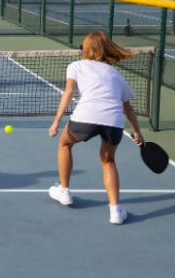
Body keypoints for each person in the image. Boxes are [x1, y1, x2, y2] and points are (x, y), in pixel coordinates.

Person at [48, 31, 144, 225]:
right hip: (114, 121)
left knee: (65, 143)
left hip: (86, 117)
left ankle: (64, 191)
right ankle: (115, 211)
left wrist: (56, 121)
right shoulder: (116, 74)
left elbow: (68, 92)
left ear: (87, 49)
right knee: (108, 161)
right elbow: (128, 107)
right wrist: (137, 131)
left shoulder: (76, 66)